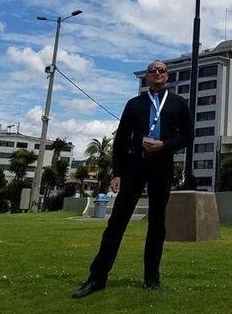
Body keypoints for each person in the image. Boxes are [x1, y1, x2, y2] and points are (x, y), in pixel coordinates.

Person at [72, 60, 193, 297]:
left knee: (157, 224)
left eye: (162, 70)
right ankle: (97, 278)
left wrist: (164, 145)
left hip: (162, 167)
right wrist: (117, 172)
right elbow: (120, 141)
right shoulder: (134, 104)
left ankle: (151, 278)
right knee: (116, 222)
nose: (157, 73)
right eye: (152, 70)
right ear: (146, 77)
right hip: (134, 167)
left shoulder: (178, 103)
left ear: (167, 77)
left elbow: (188, 136)